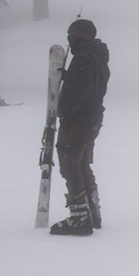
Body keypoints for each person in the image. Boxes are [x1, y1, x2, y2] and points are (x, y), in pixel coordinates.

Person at [50, 20, 110, 236]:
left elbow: (84, 87)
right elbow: (89, 82)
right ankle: (92, 211)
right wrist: (70, 77)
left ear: (80, 36)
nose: (69, 39)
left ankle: (80, 217)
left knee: (70, 162)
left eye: (71, 35)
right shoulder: (96, 55)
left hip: (80, 119)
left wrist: (64, 110)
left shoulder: (84, 57)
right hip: (91, 117)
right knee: (81, 162)